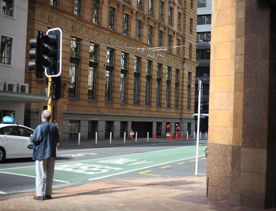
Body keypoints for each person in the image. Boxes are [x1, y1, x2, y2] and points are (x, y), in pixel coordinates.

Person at [30, 110, 59, 200]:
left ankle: (40, 194)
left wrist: (31, 137)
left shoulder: (40, 127)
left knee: (40, 175)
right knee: (50, 175)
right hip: (52, 153)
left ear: (42, 116)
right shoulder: (54, 127)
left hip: (41, 154)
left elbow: (35, 139)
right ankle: (48, 194)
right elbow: (57, 140)